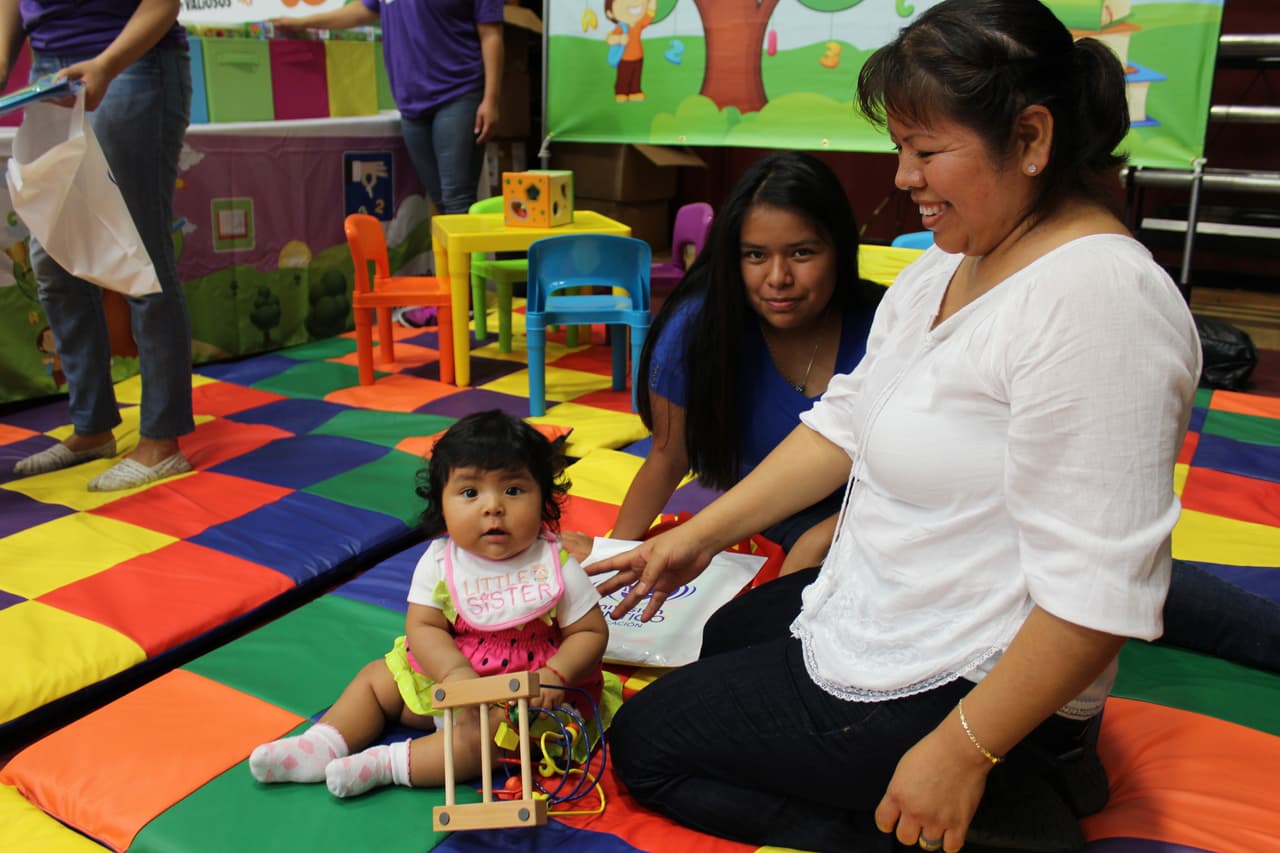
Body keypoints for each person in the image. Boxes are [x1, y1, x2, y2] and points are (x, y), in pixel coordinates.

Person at [588, 2, 1208, 851]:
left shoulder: (1101, 304)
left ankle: (994, 806)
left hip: (973, 678)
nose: (904, 177)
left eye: (926, 151)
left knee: (645, 746)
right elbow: (844, 420)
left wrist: (960, 749)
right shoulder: (950, 258)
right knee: (725, 632)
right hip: (899, 598)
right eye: (899, 150)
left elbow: (1099, 596)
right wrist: (698, 534)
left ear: (1030, 139)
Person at [249, 410, 611, 799]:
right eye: (470, 493)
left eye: (513, 490)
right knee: (376, 679)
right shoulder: (441, 562)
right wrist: (453, 671)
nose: (493, 507)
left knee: (489, 740)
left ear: (544, 499)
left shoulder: (554, 565)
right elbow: (423, 626)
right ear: (442, 503)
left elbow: (590, 631)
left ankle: (388, 764)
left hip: (521, 699)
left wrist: (557, 674)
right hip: (444, 681)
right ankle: (324, 743)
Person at [563, 151, 884, 576]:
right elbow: (666, 457)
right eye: (754, 255)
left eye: (802, 253)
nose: (777, 277)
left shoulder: (885, 322)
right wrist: (609, 555)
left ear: (840, 250)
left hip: (872, 518)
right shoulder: (698, 329)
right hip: (750, 520)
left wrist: (827, 533)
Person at [3, 0, 194, 491]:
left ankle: (161, 438)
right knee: (53, 258)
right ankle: (92, 427)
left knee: (138, 251)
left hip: (129, 60)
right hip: (51, 72)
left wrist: (108, 63)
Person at [272, 0, 503, 216]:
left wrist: (491, 100)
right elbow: (362, 11)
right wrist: (302, 22)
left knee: (457, 200)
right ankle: (451, 260)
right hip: (412, 102)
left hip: (459, 92)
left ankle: (464, 260)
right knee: (441, 202)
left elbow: (491, 34)